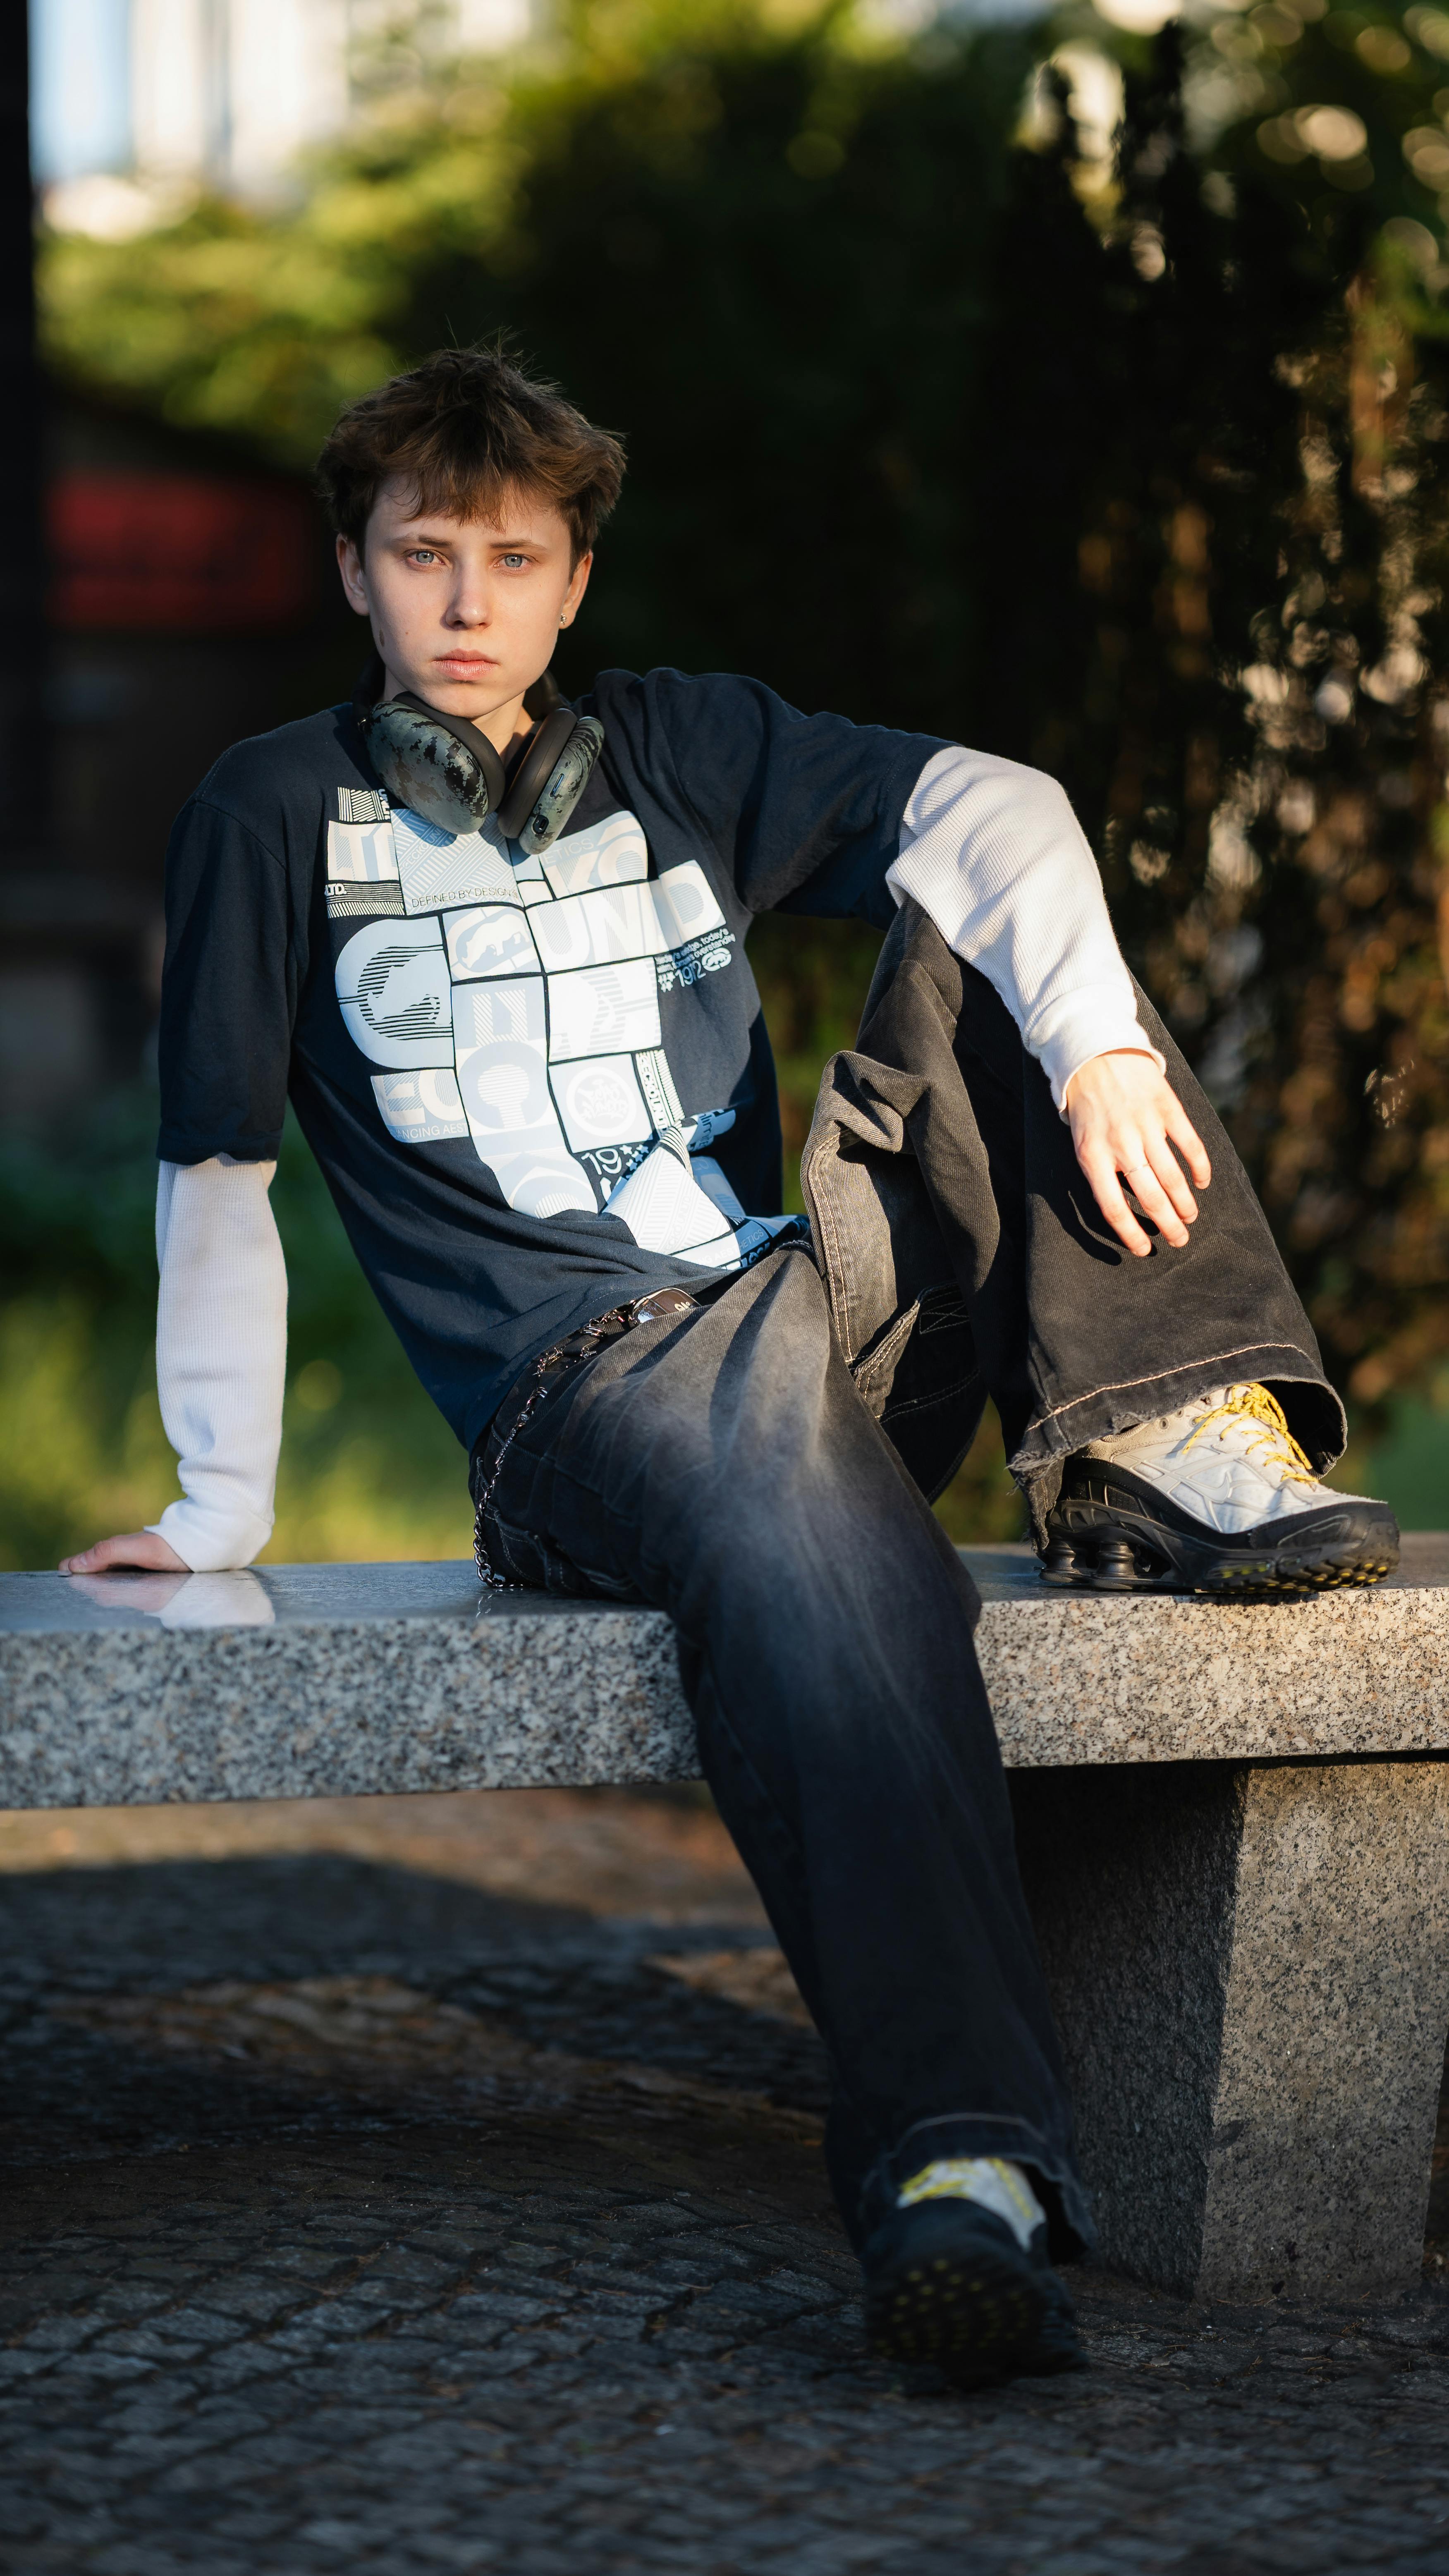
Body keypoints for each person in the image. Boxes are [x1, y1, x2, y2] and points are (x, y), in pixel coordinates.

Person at [61, 347, 1398, 2388]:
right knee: (797, 1489)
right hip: (578, 1392)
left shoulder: (680, 748)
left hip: (805, 1307)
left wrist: (1109, 1043)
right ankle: (964, 2164)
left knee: (1001, 922)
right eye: (422, 554)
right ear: (354, 568)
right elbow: (219, 1169)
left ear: (577, 580)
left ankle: (1176, 1428)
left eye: (513, 557)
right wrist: (219, 1504)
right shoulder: (270, 806)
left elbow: (997, 805)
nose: (467, 599)